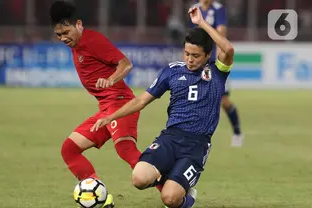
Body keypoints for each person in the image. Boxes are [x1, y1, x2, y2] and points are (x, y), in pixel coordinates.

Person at [91, 7, 234, 208]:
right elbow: (141, 101)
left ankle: (186, 196)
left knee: (170, 199)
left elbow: (228, 49)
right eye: (186, 53)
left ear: (208, 55)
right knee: (139, 179)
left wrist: (201, 23)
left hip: (196, 145)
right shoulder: (172, 71)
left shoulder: (218, 72)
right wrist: (110, 117)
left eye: (195, 55)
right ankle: (174, 179)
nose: (190, 60)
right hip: (170, 138)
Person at [49, 1, 142, 207]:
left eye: (66, 32)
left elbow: (126, 64)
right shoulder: (77, 44)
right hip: (106, 108)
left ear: (79, 24)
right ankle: (100, 197)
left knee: (125, 149)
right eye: (59, 35)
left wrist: (111, 80)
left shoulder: (93, 40)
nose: (63, 38)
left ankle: (173, 188)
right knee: (70, 149)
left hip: (120, 103)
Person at [189, 0, 244, 147]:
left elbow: (221, 36)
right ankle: (195, 134)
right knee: (197, 98)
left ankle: (237, 131)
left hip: (215, 62)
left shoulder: (219, 9)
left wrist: (219, 63)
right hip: (200, 61)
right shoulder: (194, 8)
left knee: (224, 102)